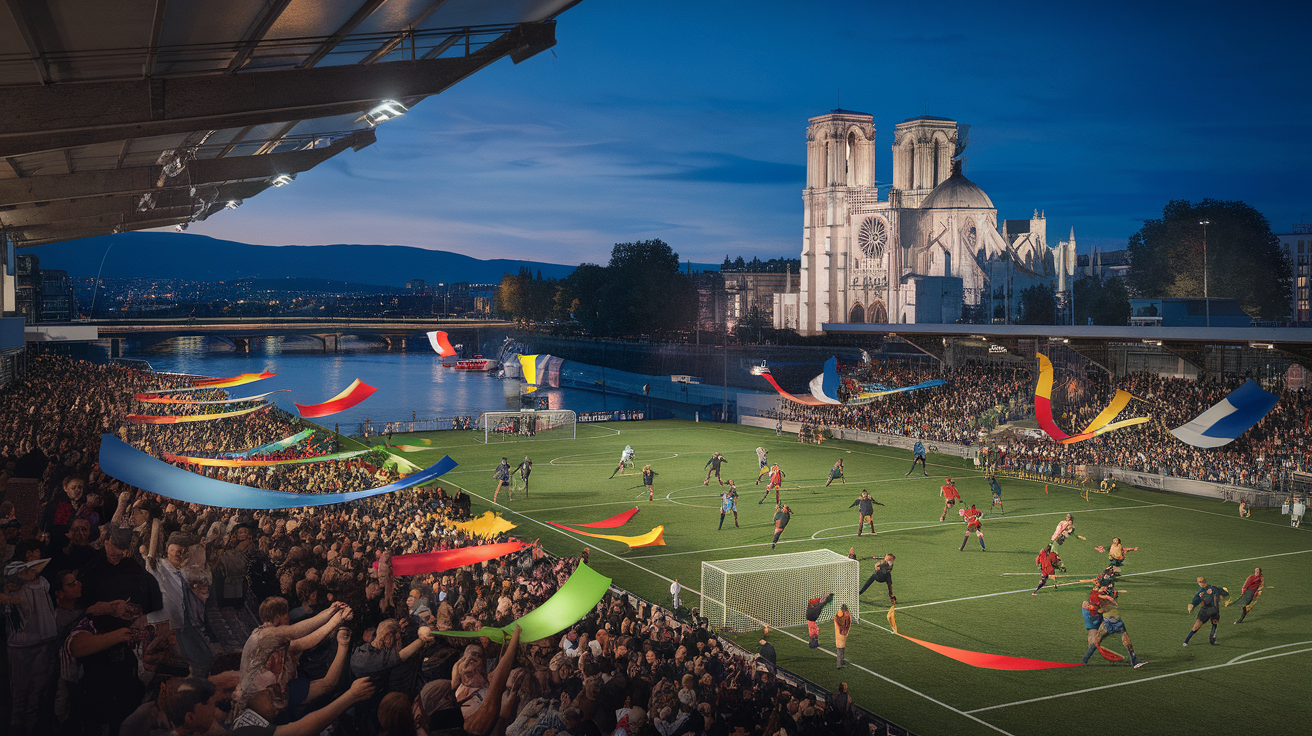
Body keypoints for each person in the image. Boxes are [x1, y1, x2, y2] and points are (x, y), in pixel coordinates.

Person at [1083, 599, 1145, 668]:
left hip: (1108, 623)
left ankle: (1085, 659)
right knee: (1126, 641)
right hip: (1114, 623)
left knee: (1098, 639)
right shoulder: (1102, 597)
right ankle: (1135, 662)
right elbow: (1101, 608)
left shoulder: (1104, 597)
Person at [1184, 577, 1229, 646]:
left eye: (1201, 582)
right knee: (1207, 624)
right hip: (1209, 611)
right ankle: (1186, 641)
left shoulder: (1206, 590)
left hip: (1211, 610)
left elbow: (1196, 600)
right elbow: (1224, 592)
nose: (1201, 583)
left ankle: (1212, 639)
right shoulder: (1209, 589)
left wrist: (1192, 605)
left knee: (1213, 623)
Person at [833, 603, 852, 668]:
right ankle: (839, 664)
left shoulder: (838, 614)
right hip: (843, 633)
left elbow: (836, 620)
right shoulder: (847, 615)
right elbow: (849, 622)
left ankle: (841, 663)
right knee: (841, 649)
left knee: (840, 649)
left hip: (838, 633)